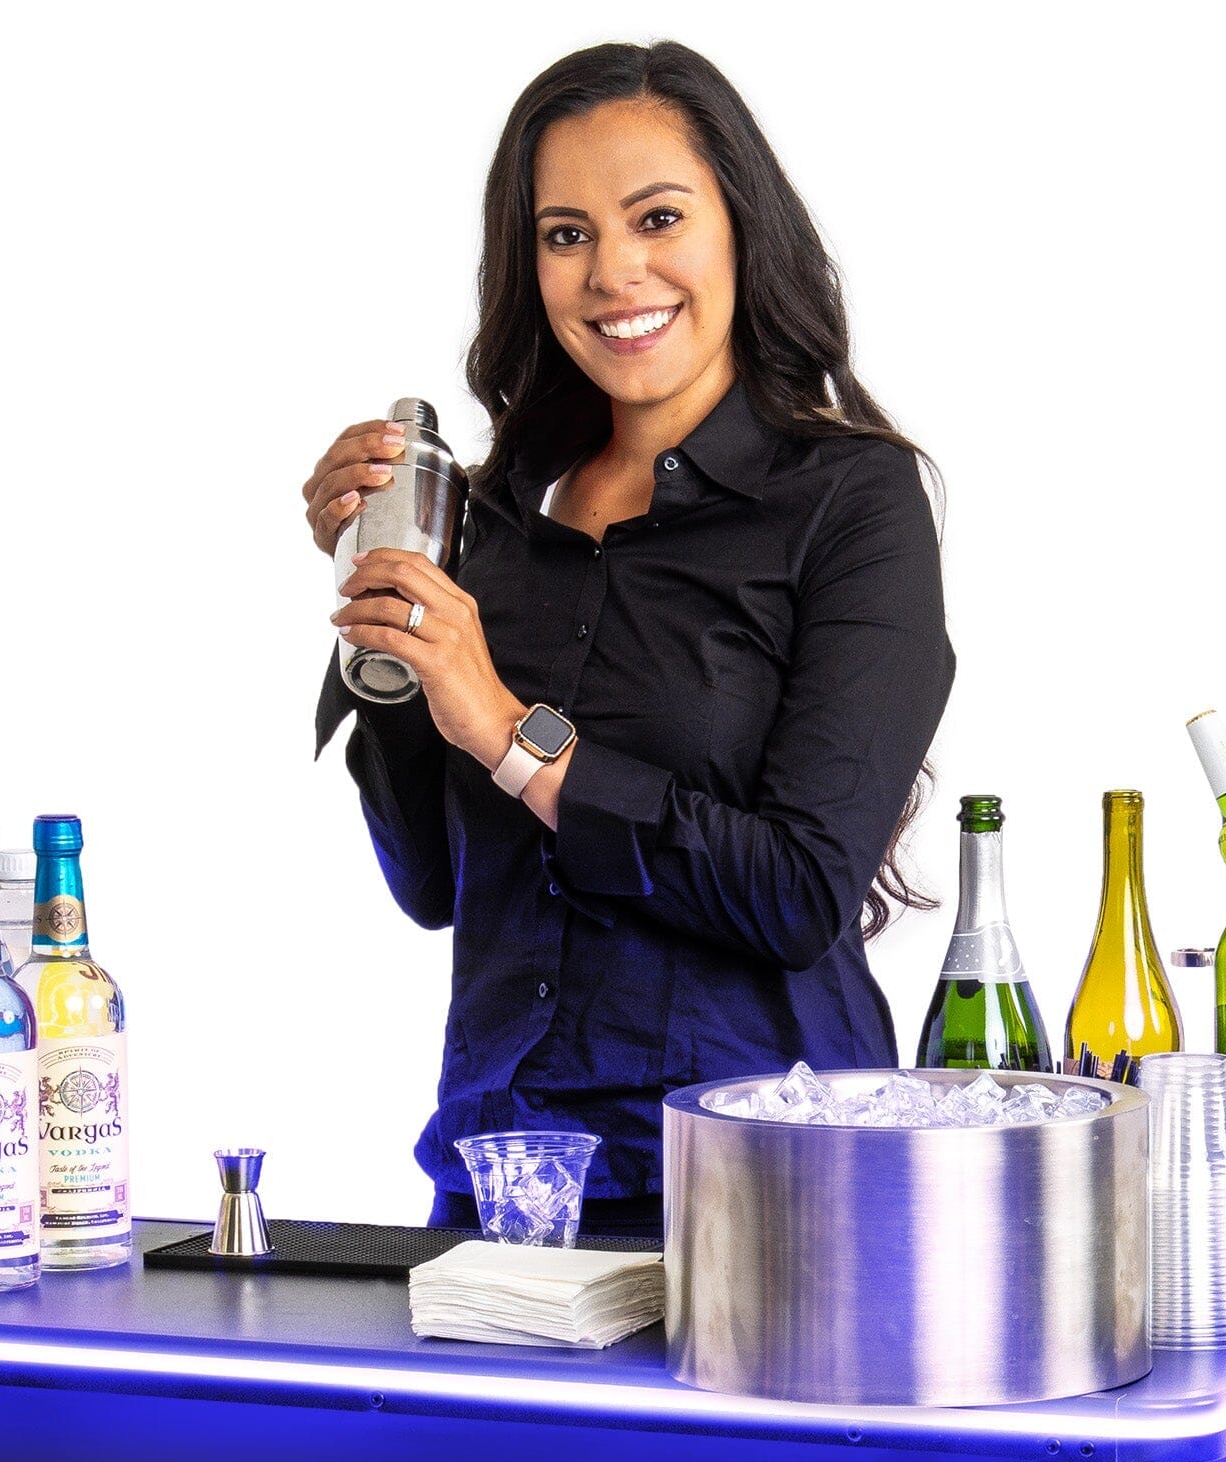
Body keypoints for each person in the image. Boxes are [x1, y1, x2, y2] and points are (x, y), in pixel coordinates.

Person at [306, 39, 953, 1232]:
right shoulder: (494, 514)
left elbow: (801, 890)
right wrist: (390, 626)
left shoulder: (852, 504)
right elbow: (438, 888)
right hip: (505, 1174)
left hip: (764, 1183)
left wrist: (509, 730)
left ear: (740, 226)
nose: (614, 272)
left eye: (657, 216)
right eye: (566, 234)